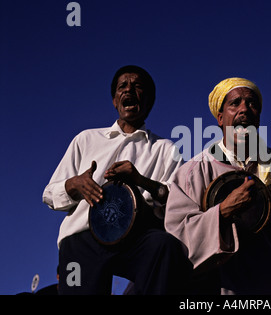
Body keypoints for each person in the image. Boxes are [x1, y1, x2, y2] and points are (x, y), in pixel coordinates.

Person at [164, 77, 271, 294]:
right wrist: (221, 212)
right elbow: (177, 238)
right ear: (220, 118)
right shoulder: (194, 171)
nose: (245, 110)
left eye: (252, 104)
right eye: (235, 103)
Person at [43, 65, 192, 294]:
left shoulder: (165, 149)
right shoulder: (86, 139)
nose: (129, 89)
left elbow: (177, 201)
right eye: (123, 86)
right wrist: (75, 185)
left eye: (138, 86)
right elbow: (50, 194)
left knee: (165, 247)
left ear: (149, 100)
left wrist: (141, 180)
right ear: (115, 100)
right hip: (82, 239)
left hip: (136, 239)